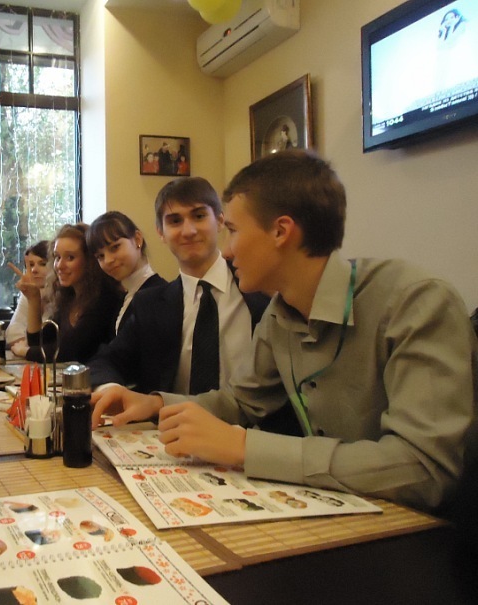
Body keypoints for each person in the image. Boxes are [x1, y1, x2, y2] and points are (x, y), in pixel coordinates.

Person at [92, 150, 478, 512]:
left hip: (423, 532)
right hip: (338, 511)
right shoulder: (280, 314)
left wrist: (244, 447)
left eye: (233, 230)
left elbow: (424, 469)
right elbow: (242, 401)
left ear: (280, 232)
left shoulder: (415, 302)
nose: (227, 251)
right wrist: (157, 404)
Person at [88, 177, 272, 399]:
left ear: (220, 220)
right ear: (161, 233)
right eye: (175, 221)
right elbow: (105, 362)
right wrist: (110, 390)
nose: (188, 231)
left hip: (251, 420)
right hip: (171, 419)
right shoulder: (149, 305)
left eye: (199, 216)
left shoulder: (262, 289)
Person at [14, 223, 123, 364]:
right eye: (57, 257)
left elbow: (69, 351)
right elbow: (40, 344)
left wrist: (24, 351)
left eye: (70, 258)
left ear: (90, 261)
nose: (60, 265)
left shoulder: (104, 299)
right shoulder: (69, 298)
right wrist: (33, 299)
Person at [86, 211, 167, 332]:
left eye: (115, 247)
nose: (108, 260)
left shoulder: (158, 295)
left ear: (138, 240)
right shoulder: (122, 296)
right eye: (100, 256)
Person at [5, 241, 52, 358]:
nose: (34, 270)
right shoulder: (29, 294)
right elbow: (12, 335)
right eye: (30, 265)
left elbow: (52, 343)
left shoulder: (63, 295)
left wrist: (25, 348)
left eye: (43, 264)